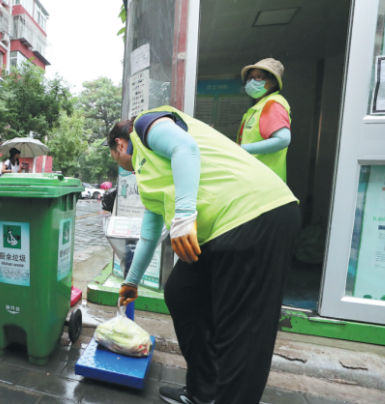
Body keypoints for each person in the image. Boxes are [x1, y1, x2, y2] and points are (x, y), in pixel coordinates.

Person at [107, 105, 300, 404]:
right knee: (182, 293)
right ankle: (202, 392)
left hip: (256, 214)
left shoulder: (146, 124)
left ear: (119, 144)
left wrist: (184, 214)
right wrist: (131, 282)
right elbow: (149, 234)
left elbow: (185, 147)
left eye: (114, 156)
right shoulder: (146, 174)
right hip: (221, 230)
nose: (119, 163)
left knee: (241, 331)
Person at [237, 58, 291, 182]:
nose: (253, 81)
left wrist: (241, 149)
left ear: (272, 82)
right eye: (250, 78)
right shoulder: (259, 107)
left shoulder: (272, 104)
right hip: (257, 179)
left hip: (265, 181)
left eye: (259, 77)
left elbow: (283, 140)